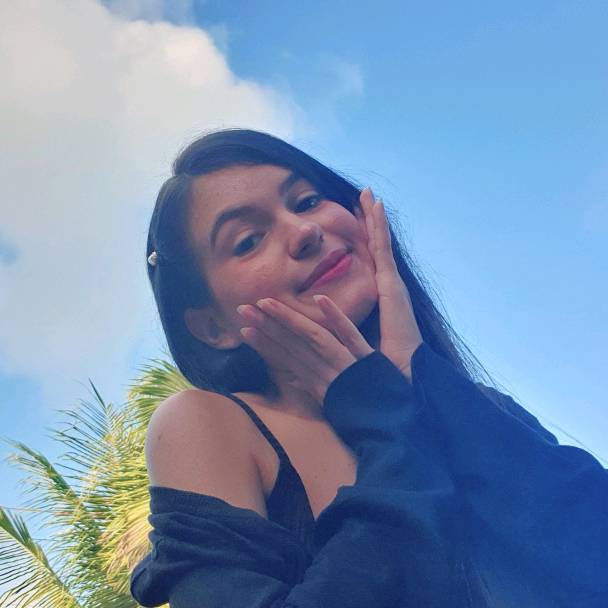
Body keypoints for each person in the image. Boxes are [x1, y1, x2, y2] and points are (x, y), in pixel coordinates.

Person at [130, 128, 607, 607]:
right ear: (212, 326)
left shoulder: (480, 407)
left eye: (306, 201)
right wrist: (384, 415)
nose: (304, 231)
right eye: (248, 240)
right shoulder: (208, 424)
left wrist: (416, 375)